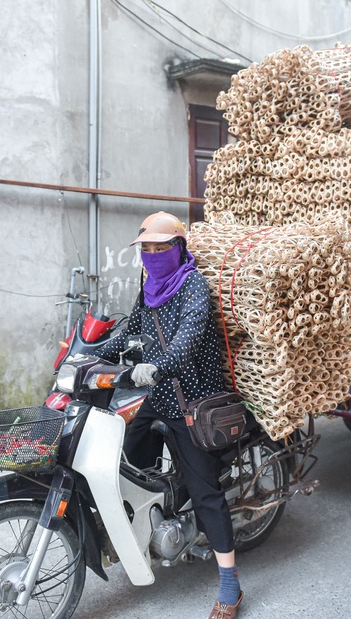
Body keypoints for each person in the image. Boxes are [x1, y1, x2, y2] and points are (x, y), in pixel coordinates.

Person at [95, 211, 244, 619]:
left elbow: (187, 339)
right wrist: (92, 355)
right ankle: (152, 526)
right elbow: (132, 333)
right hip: (160, 396)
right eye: (146, 248)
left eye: (161, 247)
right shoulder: (149, 287)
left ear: (178, 249)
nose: (153, 254)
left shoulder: (193, 285)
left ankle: (230, 585)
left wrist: (157, 366)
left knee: (205, 492)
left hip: (193, 400)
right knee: (128, 462)